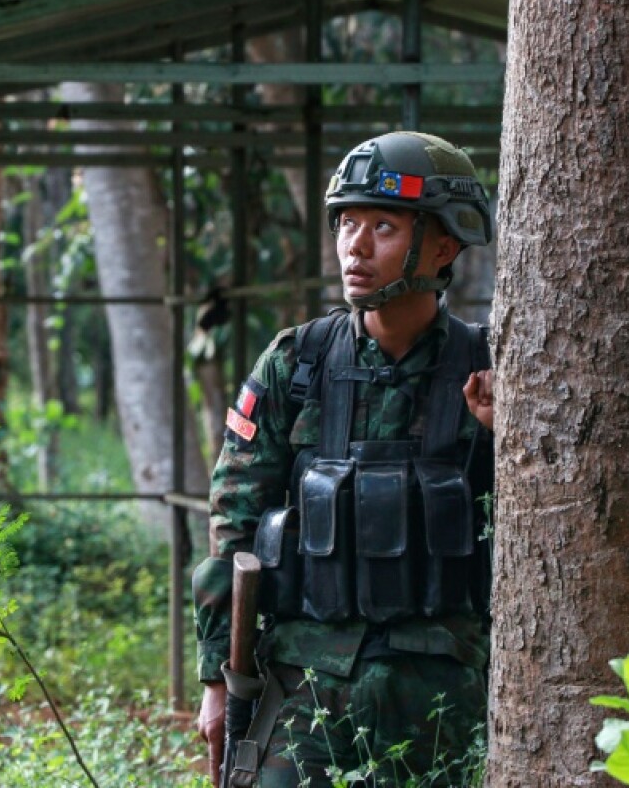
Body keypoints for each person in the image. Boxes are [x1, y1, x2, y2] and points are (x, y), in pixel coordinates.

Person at [193, 131, 496, 787]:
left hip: (444, 687)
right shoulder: (296, 361)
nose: (355, 247)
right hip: (306, 686)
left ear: (443, 245)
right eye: (347, 224)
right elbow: (234, 522)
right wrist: (218, 679)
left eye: (382, 226)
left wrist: (507, 440)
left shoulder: (492, 367)